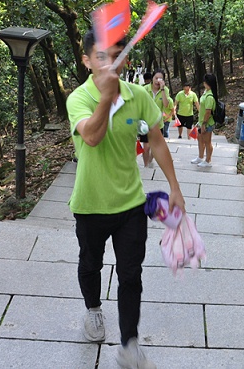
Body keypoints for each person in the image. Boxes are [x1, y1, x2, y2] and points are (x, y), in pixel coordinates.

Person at [67, 30, 185, 369]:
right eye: (101, 55)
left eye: (117, 54)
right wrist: (107, 97)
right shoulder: (78, 98)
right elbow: (92, 137)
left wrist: (175, 187)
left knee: (131, 274)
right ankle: (93, 309)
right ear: (86, 60)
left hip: (131, 203)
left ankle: (129, 343)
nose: (110, 62)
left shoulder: (139, 96)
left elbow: (156, 141)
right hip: (90, 204)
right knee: (90, 265)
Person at [191, 73, 218, 168]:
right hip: (201, 121)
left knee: (207, 141)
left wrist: (204, 124)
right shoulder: (206, 92)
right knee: (200, 139)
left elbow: (208, 112)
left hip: (207, 123)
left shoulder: (210, 96)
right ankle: (200, 156)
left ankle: (208, 160)